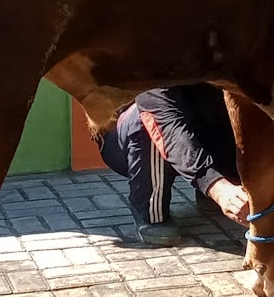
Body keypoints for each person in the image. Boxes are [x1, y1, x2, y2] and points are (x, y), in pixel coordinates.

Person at [95, 84, 255, 243]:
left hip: (196, 122)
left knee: (235, 103)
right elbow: (168, 128)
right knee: (149, 120)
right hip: (127, 138)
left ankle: (219, 190)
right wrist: (218, 188)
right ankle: (150, 211)